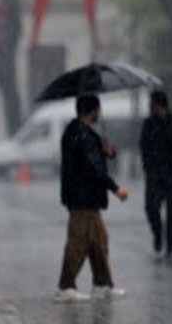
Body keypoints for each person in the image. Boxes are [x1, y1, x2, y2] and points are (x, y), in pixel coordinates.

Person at [55, 94, 129, 303]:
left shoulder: (78, 133)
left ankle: (102, 284)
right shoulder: (83, 136)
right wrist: (116, 189)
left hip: (84, 198)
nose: (100, 114)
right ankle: (66, 286)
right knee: (78, 242)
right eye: (98, 109)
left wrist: (107, 151)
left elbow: (99, 156)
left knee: (99, 241)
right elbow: (95, 169)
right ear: (93, 111)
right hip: (82, 199)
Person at [139, 89, 172, 258]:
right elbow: (143, 147)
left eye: (152, 104)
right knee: (151, 207)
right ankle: (158, 234)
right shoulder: (148, 124)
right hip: (155, 174)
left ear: (159, 105)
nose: (150, 107)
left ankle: (171, 244)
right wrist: (146, 167)